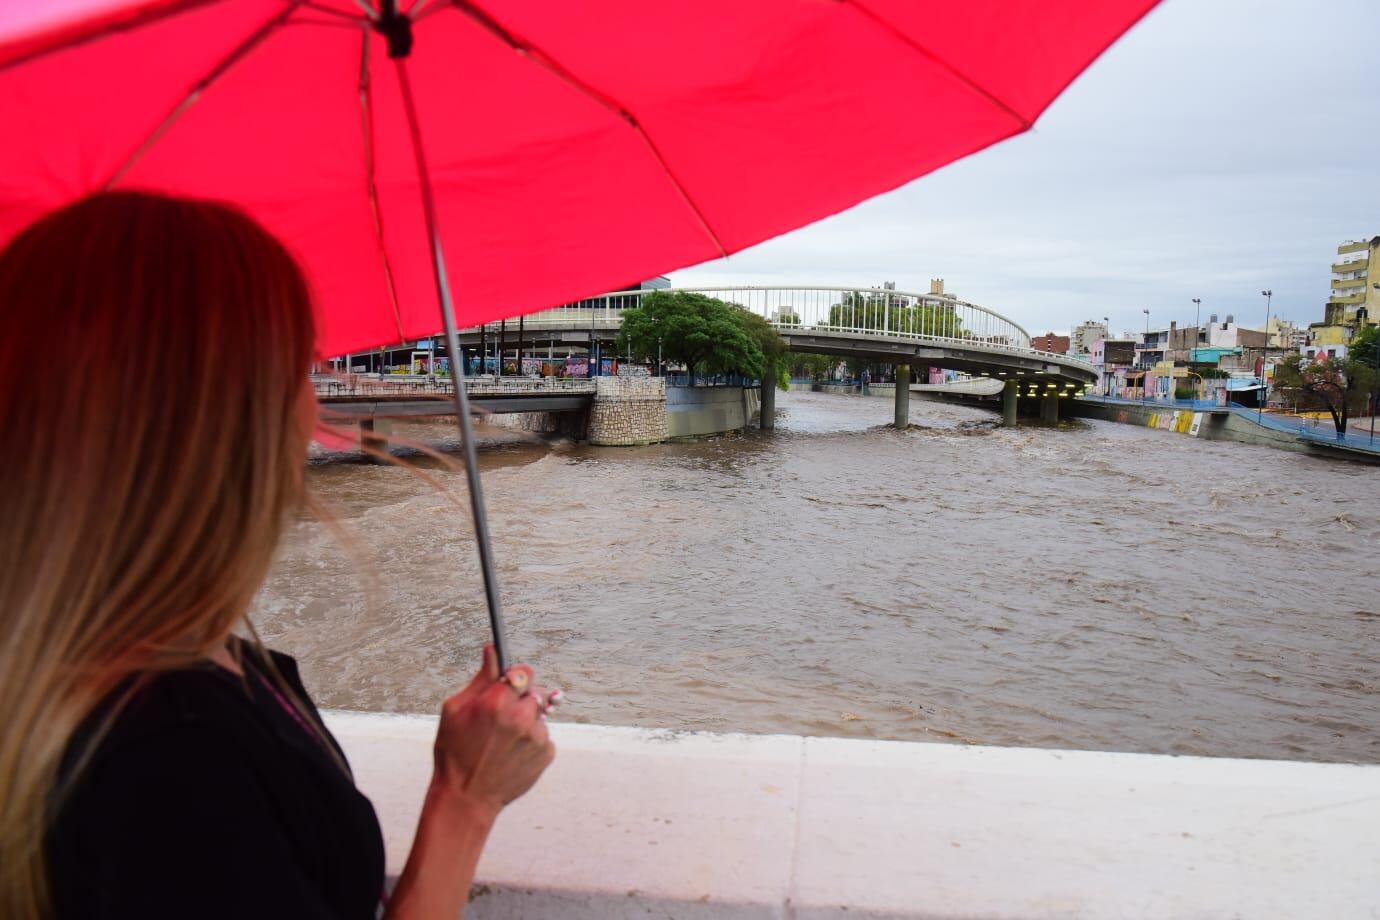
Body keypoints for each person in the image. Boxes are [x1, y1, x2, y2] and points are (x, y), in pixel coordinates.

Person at [0, 192, 556, 919]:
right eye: (301, 365)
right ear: (218, 418)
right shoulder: (177, 766)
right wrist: (466, 799)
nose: (313, 405)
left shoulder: (156, 675)